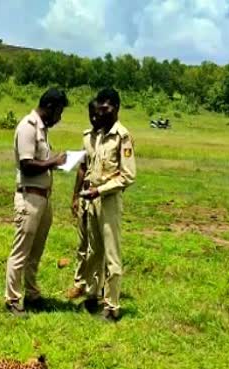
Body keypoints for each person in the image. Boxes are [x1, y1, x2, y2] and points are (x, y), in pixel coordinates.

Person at [4, 88, 68, 316]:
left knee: (35, 251)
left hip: (42, 198)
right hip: (29, 197)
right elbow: (27, 165)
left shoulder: (41, 129)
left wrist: (55, 163)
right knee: (21, 250)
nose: (59, 118)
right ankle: (12, 299)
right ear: (50, 107)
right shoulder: (27, 127)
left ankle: (31, 293)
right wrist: (53, 162)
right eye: (59, 112)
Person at [79, 88, 137, 322]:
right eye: (99, 108)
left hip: (109, 201)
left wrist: (99, 190)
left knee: (112, 254)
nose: (100, 113)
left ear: (115, 108)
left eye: (105, 109)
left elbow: (128, 176)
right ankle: (93, 295)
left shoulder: (122, 136)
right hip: (92, 200)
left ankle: (112, 307)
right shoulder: (100, 135)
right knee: (94, 251)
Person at [66, 99, 104, 309]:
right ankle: (79, 282)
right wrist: (75, 196)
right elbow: (82, 167)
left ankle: (95, 286)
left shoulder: (110, 138)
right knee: (82, 242)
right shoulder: (87, 137)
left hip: (100, 194)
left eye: (98, 114)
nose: (95, 118)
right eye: (91, 115)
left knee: (96, 245)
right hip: (84, 194)